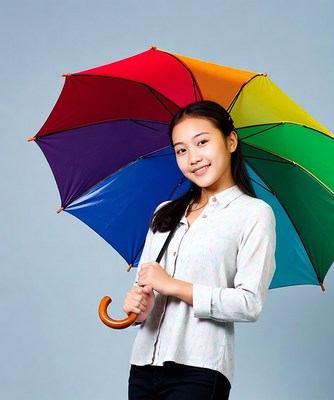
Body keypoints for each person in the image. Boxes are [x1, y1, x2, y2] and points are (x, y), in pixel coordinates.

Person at [123, 100, 276, 399]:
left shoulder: (253, 213)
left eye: (202, 142)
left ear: (230, 141)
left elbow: (249, 303)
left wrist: (173, 286)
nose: (192, 158)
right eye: (181, 150)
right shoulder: (165, 212)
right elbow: (147, 287)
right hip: (143, 364)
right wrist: (139, 307)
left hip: (200, 370)